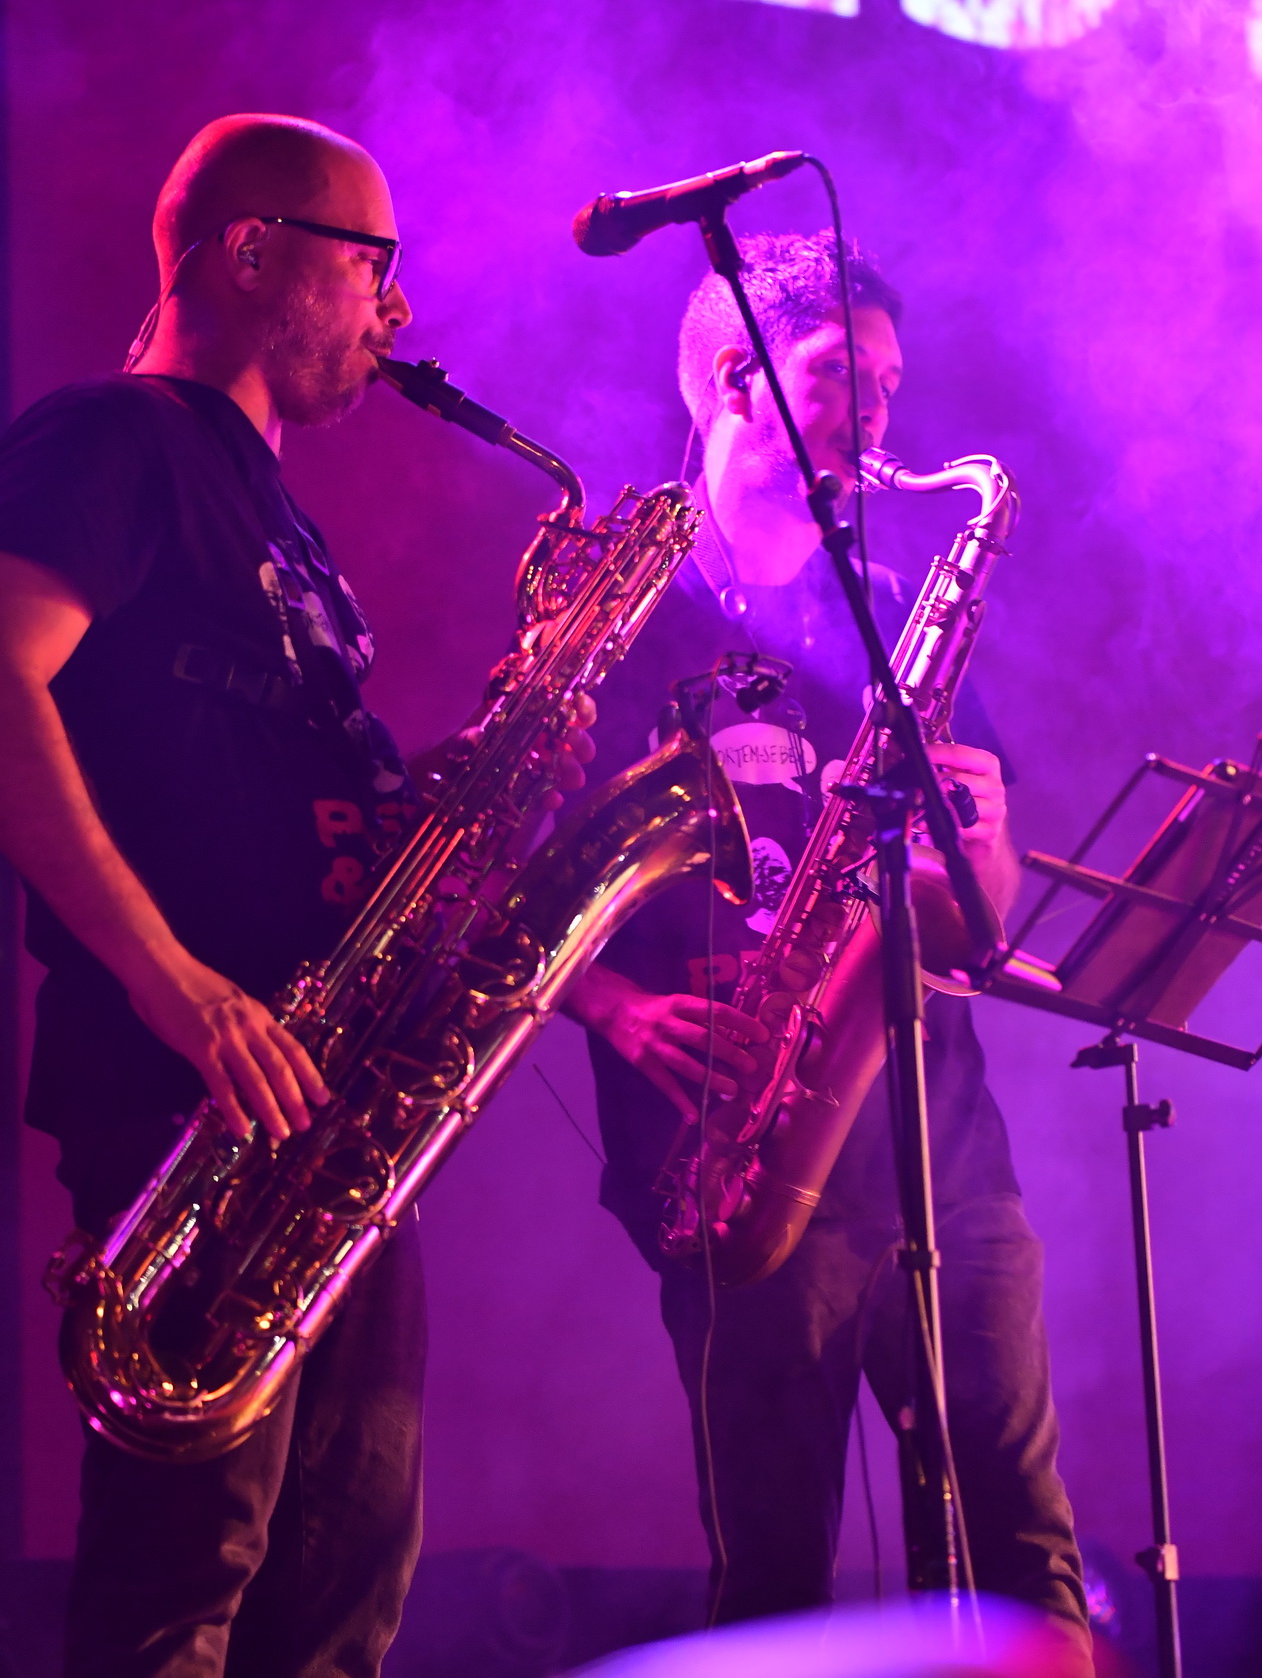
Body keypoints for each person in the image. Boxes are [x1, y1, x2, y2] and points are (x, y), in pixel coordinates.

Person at [0, 113, 591, 1677]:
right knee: (183, 1590)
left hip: (322, 1105)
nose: (397, 306)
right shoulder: (113, 439)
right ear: (251, 252)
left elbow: (261, 769)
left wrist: (470, 788)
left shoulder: (276, 516)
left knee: (335, 1602)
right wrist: (177, 984)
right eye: (370, 261)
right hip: (197, 1095)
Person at [564, 232, 1094, 1673]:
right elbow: (511, 884)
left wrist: (985, 843)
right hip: (731, 1144)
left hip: (939, 1145)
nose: (878, 412)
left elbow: (982, 917)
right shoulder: (622, 619)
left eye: (890, 383)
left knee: (1024, 1550)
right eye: (842, 374)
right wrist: (615, 1008)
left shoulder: (893, 611)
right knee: (777, 1585)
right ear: (739, 374)